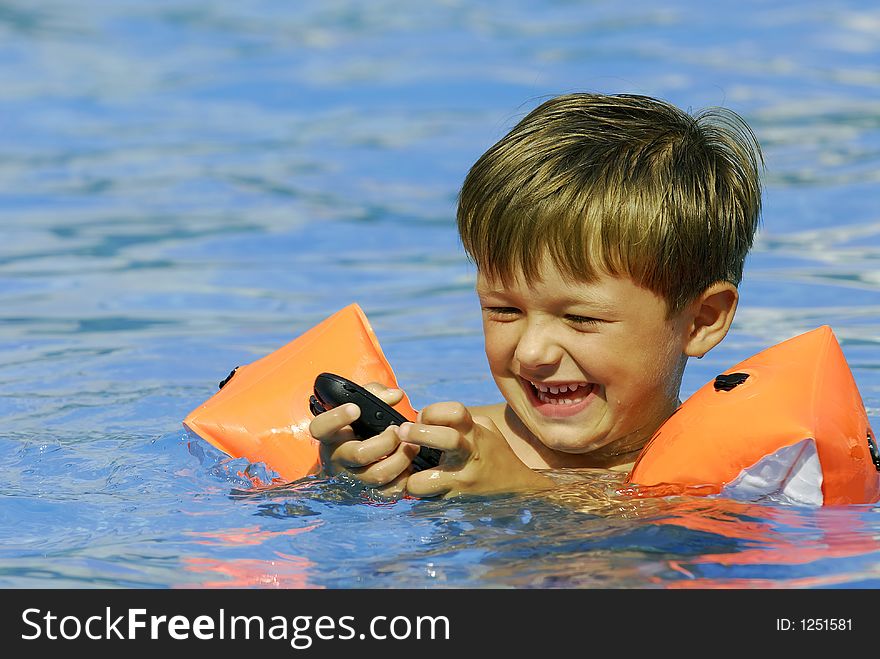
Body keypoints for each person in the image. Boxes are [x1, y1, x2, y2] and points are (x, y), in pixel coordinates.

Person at [309, 92, 763, 499]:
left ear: (702, 320)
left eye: (581, 318)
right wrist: (338, 480)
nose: (531, 352)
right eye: (504, 309)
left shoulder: (729, 479)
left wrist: (523, 492)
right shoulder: (450, 443)